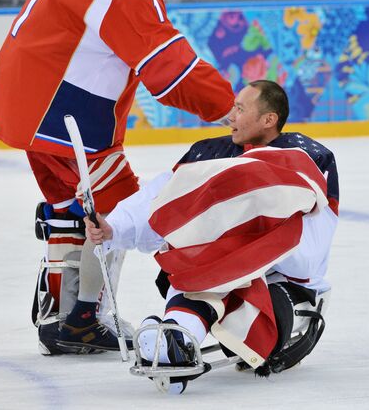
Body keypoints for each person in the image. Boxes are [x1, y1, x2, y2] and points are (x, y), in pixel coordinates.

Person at [0, 0, 235, 356]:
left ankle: (59, 314)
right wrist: (229, 105)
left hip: (21, 101)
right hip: (64, 115)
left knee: (68, 210)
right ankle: (82, 320)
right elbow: (167, 65)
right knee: (115, 211)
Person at [86, 80, 338, 392]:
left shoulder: (307, 155)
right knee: (199, 272)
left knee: (253, 306)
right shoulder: (207, 152)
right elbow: (161, 196)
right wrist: (115, 227)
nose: (230, 116)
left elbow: (312, 236)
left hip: (280, 280)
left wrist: (249, 255)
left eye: (241, 109)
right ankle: (175, 340)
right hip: (213, 270)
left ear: (268, 119)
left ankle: (176, 339)